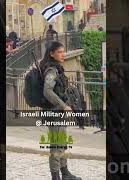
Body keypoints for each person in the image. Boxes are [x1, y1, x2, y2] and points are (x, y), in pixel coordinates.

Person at [39, 41, 82, 180]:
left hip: (59, 113)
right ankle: (55, 176)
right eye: (59, 52)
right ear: (51, 54)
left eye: (63, 51)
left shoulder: (57, 68)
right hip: (54, 113)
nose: (63, 54)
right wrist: (64, 106)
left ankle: (65, 173)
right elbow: (47, 91)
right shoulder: (51, 70)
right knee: (56, 146)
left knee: (62, 143)